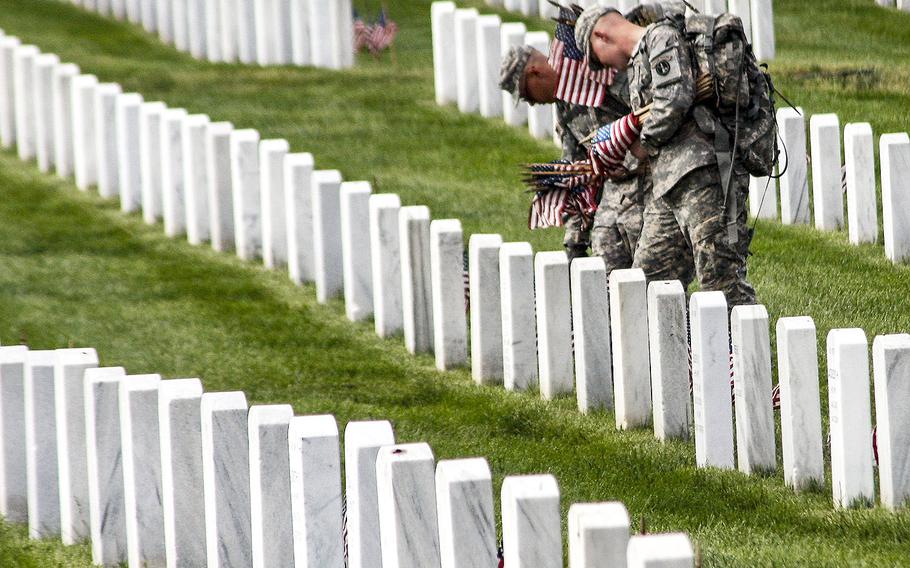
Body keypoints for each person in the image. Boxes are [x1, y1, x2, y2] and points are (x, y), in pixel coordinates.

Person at [574, 5, 756, 307]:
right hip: (669, 185)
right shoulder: (642, 56)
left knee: (723, 281)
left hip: (703, 176)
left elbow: (675, 97)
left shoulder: (660, 37)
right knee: (647, 280)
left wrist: (640, 143)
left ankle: (745, 353)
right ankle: (674, 351)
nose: (607, 69)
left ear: (601, 35)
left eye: (597, 59)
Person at [498, 44, 646, 275]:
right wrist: (574, 241)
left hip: (654, 169)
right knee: (605, 246)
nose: (532, 103)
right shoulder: (565, 108)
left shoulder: (595, 72)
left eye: (527, 94)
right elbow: (575, 174)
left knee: (644, 250)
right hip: (621, 184)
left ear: (535, 72)